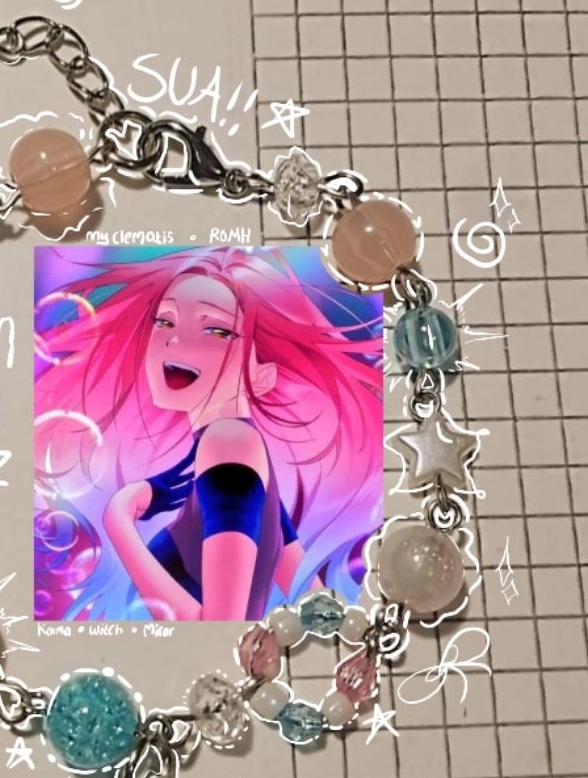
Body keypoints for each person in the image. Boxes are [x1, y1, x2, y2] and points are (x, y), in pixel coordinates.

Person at [34, 245, 384, 622]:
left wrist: (119, 522)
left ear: (264, 373)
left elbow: (216, 626)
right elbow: (315, 602)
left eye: (216, 330)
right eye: (164, 322)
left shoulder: (226, 444)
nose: (174, 340)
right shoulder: (236, 449)